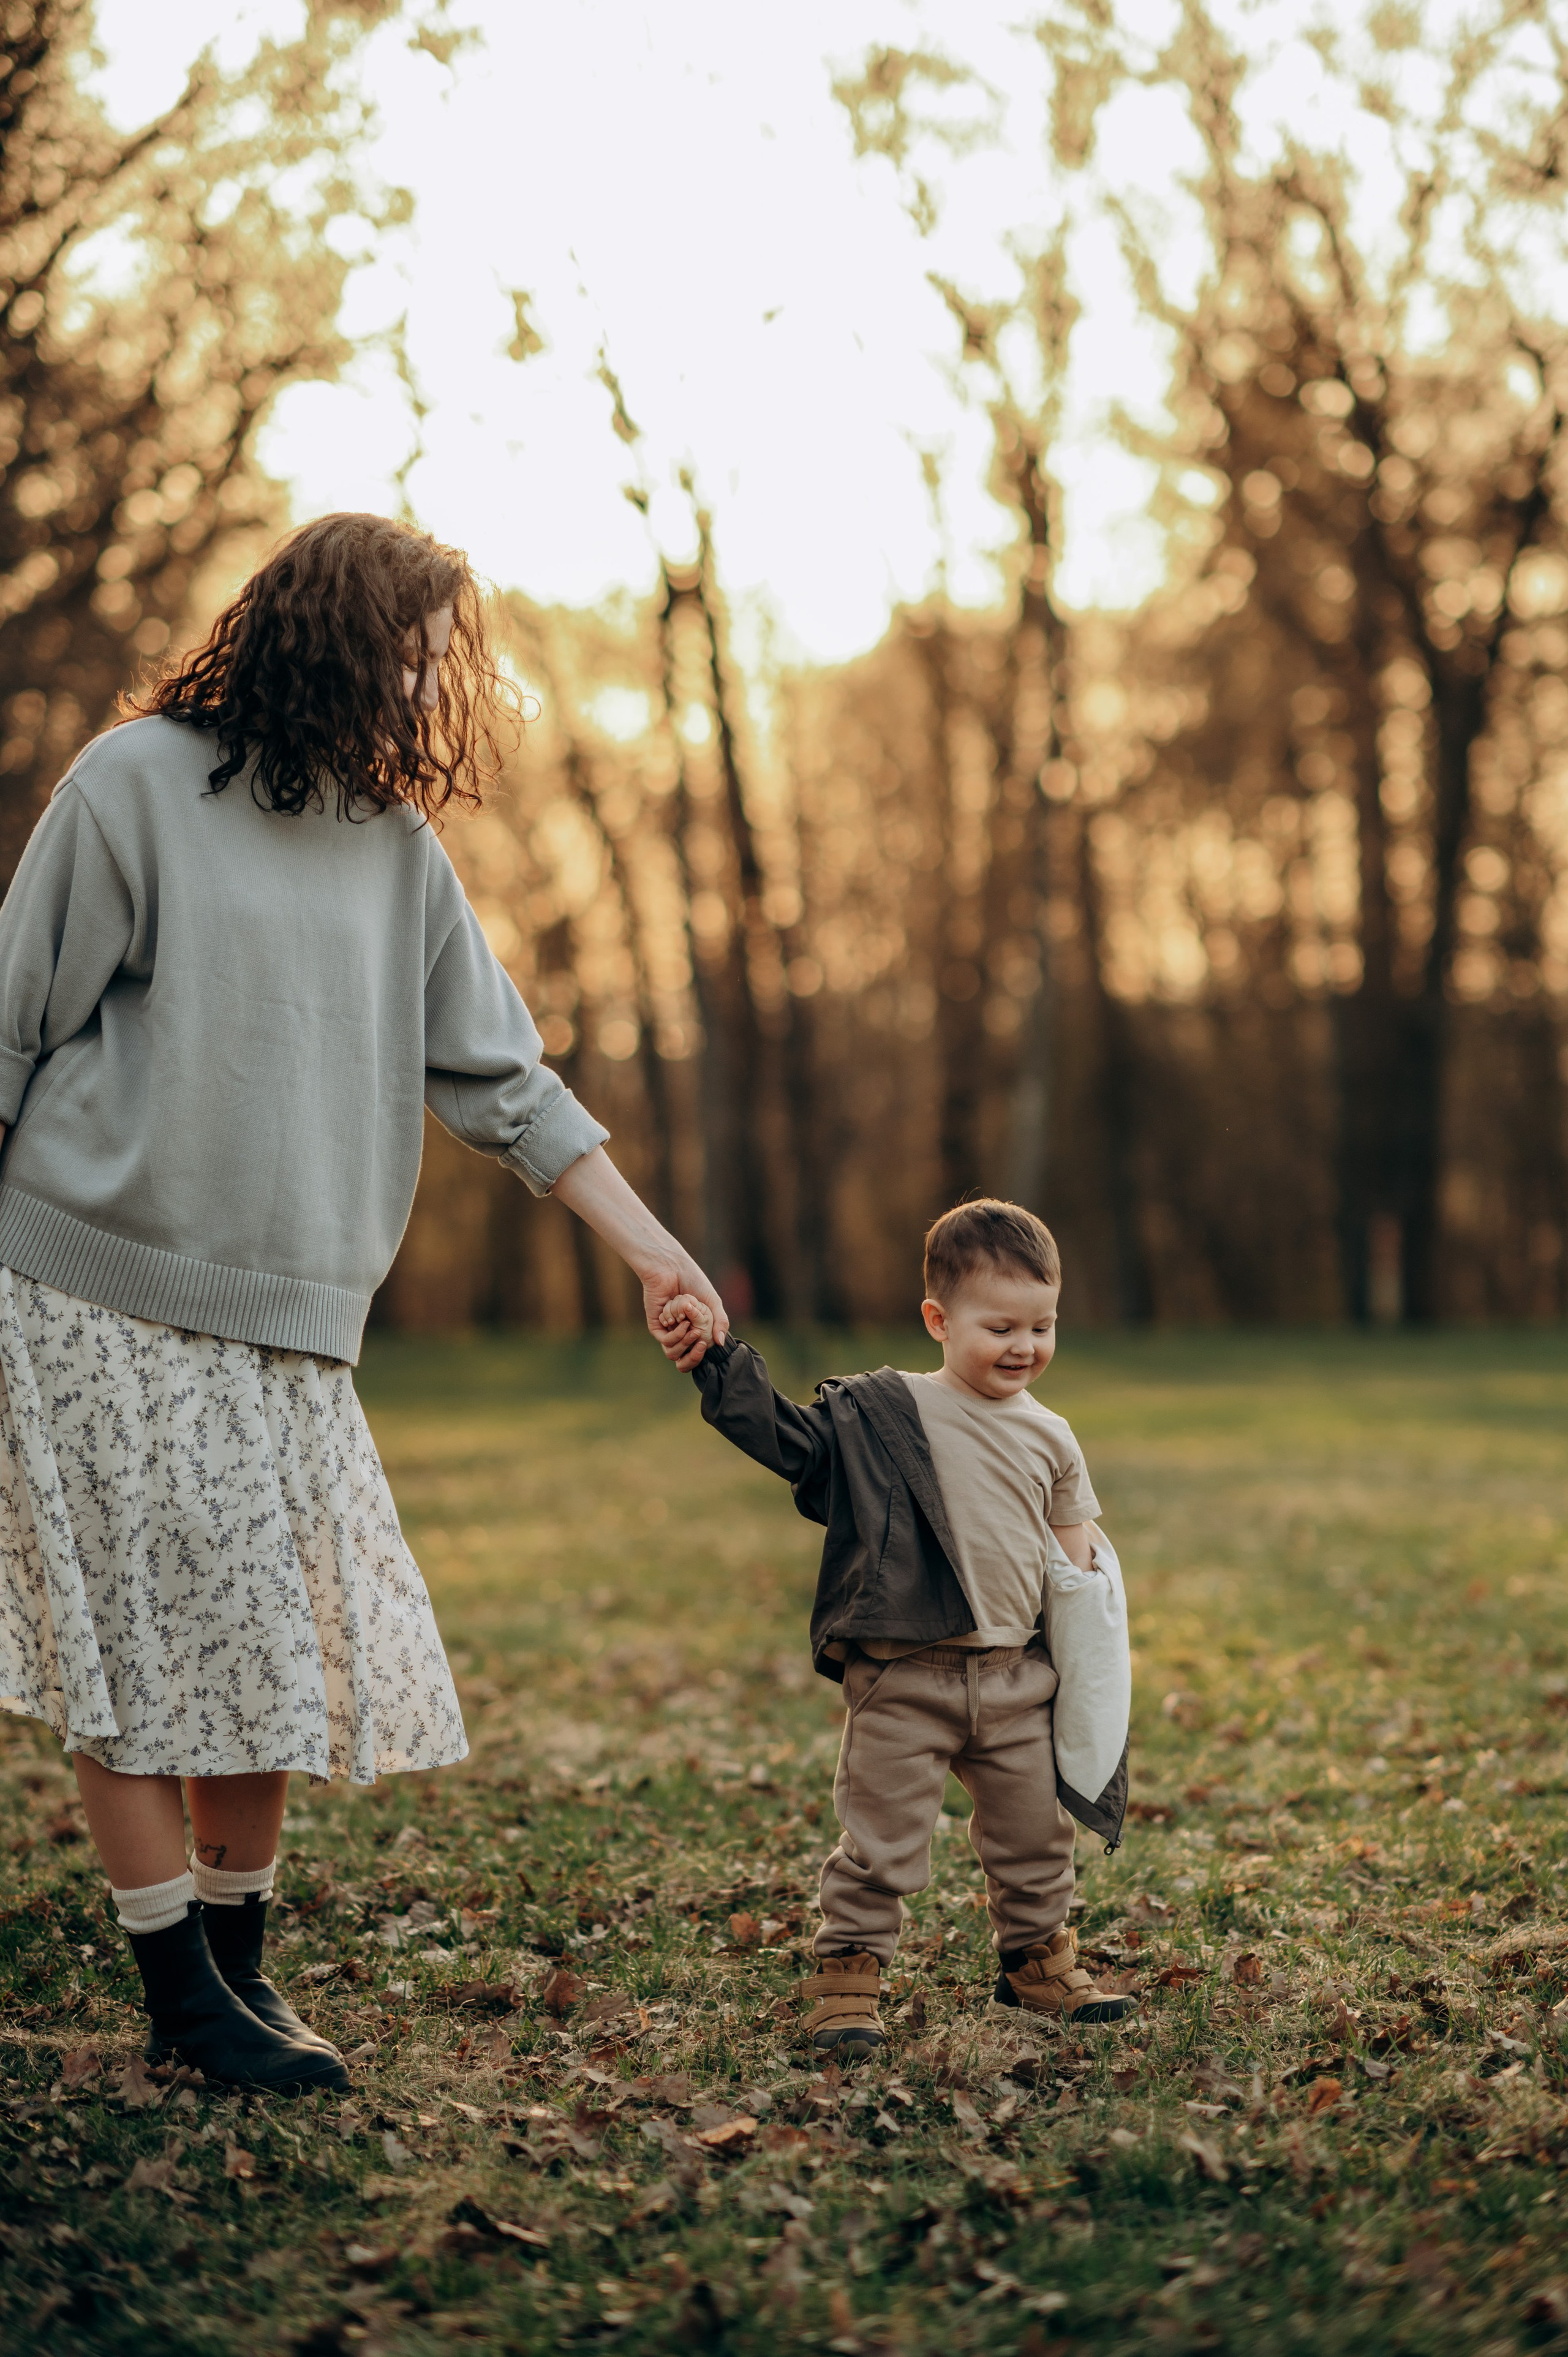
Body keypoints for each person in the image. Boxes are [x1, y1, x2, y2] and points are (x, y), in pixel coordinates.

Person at [0, 512, 726, 2095]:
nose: (431, 682)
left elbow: (504, 1081)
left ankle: (238, 1973)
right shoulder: (132, 785)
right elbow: (13, 1025)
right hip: (87, 1278)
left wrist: (654, 1250)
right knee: (128, 1652)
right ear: (320, 630)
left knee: (265, 1649)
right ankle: (179, 1997)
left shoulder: (395, 846)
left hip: (294, 1319)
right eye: (410, 649)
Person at [658, 1197, 1131, 2054]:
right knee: (880, 1843)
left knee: (1035, 1837)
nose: (1025, 1346)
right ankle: (847, 1980)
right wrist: (718, 1362)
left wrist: (1088, 1679)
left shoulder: (1055, 1438)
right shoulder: (884, 1413)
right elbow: (789, 1443)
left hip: (1017, 1679)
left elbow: (1077, 1581)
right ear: (938, 1321)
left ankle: (1037, 1964)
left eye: (1043, 1325)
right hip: (906, 1674)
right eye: (1001, 1327)